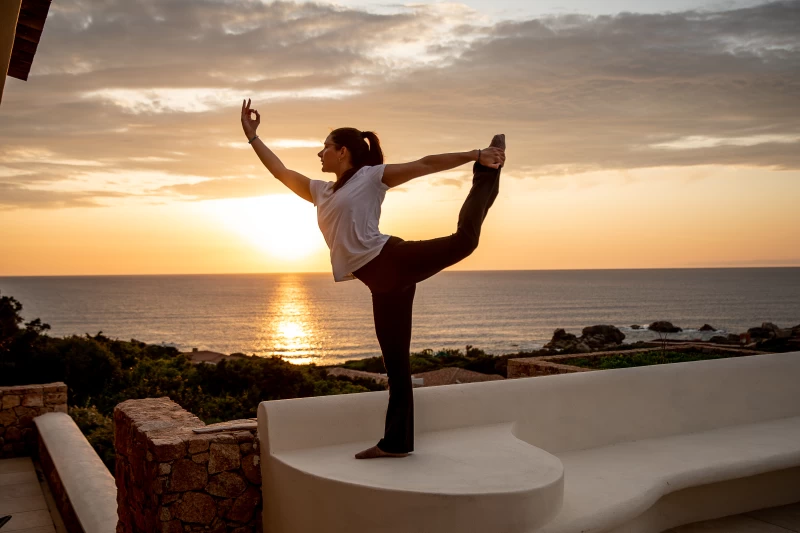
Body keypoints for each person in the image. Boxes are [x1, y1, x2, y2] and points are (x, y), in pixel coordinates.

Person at [240, 98, 505, 459]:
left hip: (391, 259)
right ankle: (395, 444)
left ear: (343, 151)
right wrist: (254, 137)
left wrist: (476, 154)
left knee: (465, 241)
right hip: (379, 283)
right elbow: (280, 172)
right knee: (395, 366)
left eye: (325, 147)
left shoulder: (370, 177)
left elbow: (424, 164)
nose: (320, 154)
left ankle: (489, 170)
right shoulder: (322, 192)